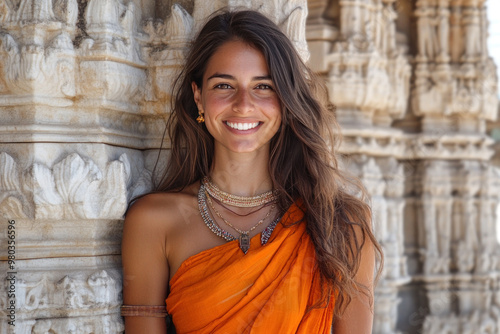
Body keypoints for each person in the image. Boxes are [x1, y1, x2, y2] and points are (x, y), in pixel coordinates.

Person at [121, 9, 382, 334]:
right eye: (223, 85)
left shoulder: (341, 223)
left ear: (285, 100)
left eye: (263, 87)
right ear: (199, 97)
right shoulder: (153, 221)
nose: (243, 104)